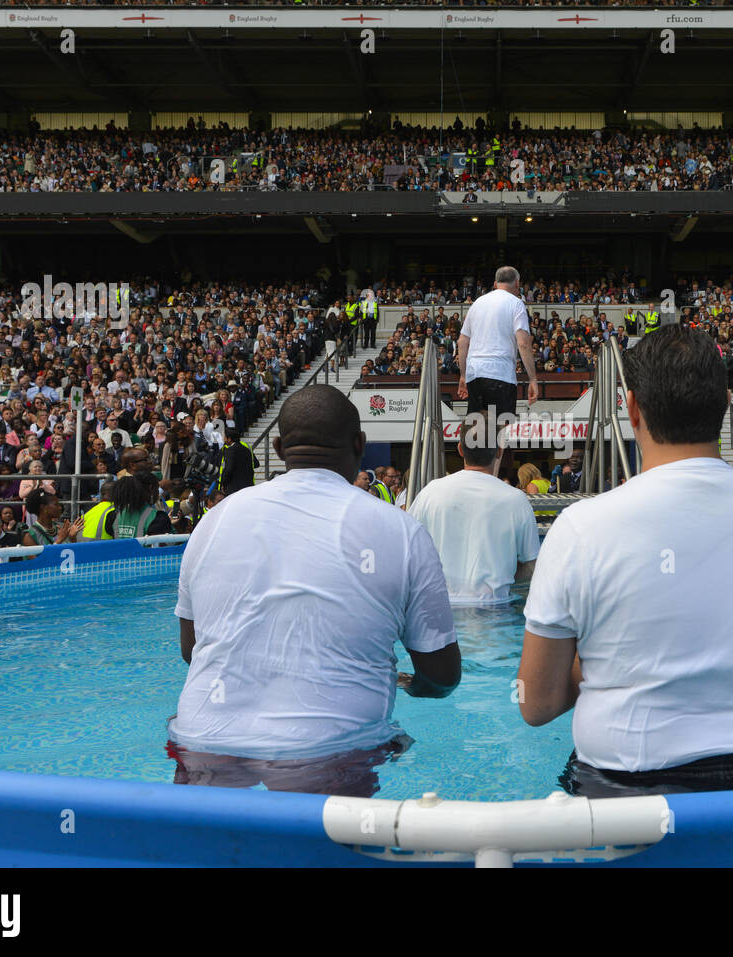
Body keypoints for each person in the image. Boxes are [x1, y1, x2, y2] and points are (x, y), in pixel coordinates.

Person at [519, 326, 733, 797]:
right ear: (725, 406)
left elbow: (536, 704)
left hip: (631, 779)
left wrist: (607, 662)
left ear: (633, 408)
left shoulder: (582, 527)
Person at [168, 384, 460, 796]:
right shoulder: (401, 531)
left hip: (202, 741)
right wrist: (415, 685)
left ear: (278, 446)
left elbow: (191, 650)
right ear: (360, 444)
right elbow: (443, 675)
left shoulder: (215, 521)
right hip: (330, 751)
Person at [409, 415, 540, 605]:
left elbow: (408, 552)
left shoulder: (430, 493)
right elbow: (531, 566)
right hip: (494, 610)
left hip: (438, 609)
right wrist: (504, 573)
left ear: (461, 450)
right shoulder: (516, 499)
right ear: (499, 452)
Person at [454, 266, 539, 459]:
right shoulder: (516, 304)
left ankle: (473, 474)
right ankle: (493, 478)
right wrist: (533, 379)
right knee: (499, 431)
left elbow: (462, 341)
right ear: (517, 284)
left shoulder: (477, 303)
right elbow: (523, 344)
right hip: (500, 373)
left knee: (475, 429)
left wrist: (462, 375)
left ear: (494, 283)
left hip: (475, 373)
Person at [104, 472, 173, 539]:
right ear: (151, 488)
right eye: (157, 488)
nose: (158, 492)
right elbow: (165, 545)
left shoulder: (113, 516)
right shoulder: (157, 518)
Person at [215, 427, 258, 495]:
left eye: (224, 436)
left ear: (229, 439)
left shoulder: (230, 450)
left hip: (234, 489)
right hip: (248, 486)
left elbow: (229, 470)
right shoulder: (247, 449)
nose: (223, 438)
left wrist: (223, 483)